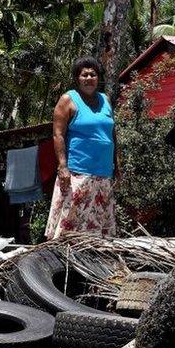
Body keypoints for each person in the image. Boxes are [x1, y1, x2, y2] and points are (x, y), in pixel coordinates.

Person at [44, 56, 119, 239]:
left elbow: (112, 132)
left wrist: (117, 162)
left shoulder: (105, 100)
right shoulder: (68, 100)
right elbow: (58, 135)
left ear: (98, 78)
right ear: (77, 78)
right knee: (71, 224)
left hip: (103, 173)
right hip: (78, 173)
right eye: (84, 75)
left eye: (92, 74)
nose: (88, 78)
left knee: (99, 226)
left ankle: (96, 260)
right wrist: (62, 166)